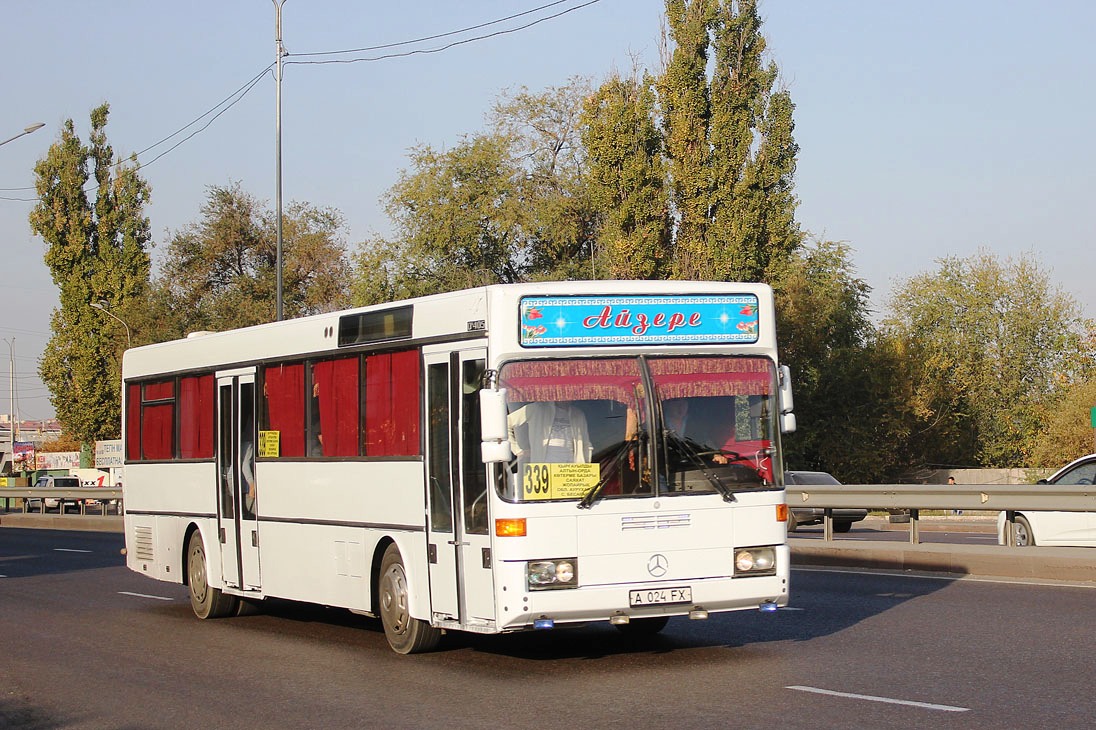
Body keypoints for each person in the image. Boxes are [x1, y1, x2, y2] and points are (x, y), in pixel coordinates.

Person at [507, 401, 592, 464]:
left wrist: (587, 468)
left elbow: (585, 444)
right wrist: (517, 450)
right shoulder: (537, 408)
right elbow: (504, 423)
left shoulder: (578, 414)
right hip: (544, 473)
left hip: (571, 474)